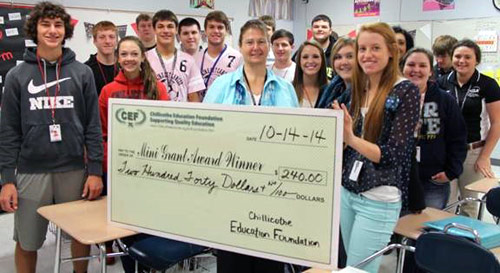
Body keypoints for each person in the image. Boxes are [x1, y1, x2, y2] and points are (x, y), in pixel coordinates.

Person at [0, 2, 103, 273]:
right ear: (34, 29)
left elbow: (93, 125)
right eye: (46, 24)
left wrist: (95, 170)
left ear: (65, 31)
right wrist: (7, 180)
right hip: (31, 171)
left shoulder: (82, 72)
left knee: (80, 235)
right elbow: (8, 131)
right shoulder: (17, 76)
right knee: (27, 241)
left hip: (73, 169)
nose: (52, 30)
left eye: (58, 25)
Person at [203, 19, 298, 272]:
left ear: (268, 46)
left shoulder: (286, 89)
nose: (255, 47)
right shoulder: (221, 87)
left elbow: (298, 137)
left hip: (274, 191)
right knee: (233, 262)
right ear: (240, 46)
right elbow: (205, 135)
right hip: (230, 190)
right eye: (249, 42)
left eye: (261, 42)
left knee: (270, 261)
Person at [333, 22, 419, 273]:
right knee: (352, 266)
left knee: (358, 270)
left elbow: (393, 155)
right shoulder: (358, 89)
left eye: (375, 48)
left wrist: (349, 137)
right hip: (347, 191)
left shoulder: (406, 91)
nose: (366, 55)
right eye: (362, 49)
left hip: (379, 197)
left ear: (392, 51)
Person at [99, 36, 170, 273]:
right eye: (124, 54)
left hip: (150, 169)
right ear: (118, 59)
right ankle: (131, 267)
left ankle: (149, 266)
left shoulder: (157, 88)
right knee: (124, 227)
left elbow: (168, 129)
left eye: (134, 54)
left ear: (142, 57)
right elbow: (102, 132)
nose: (129, 59)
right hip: (119, 170)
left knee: (150, 222)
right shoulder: (108, 91)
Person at [438, 39, 500, 217]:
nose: (461, 61)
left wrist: (485, 156)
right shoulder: (442, 83)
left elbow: (497, 123)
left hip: (473, 152)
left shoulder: (488, 85)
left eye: (467, 57)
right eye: (457, 56)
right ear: (452, 58)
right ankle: (445, 242)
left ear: (476, 60)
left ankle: (466, 243)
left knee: (469, 205)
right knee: (445, 203)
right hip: (446, 152)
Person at [402, 47, 467, 210]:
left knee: (427, 230)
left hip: (433, 180)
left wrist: (451, 172)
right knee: (397, 230)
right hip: (398, 178)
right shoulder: (392, 98)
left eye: (422, 66)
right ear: (402, 69)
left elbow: (458, 138)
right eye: (411, 64)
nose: (416, 70)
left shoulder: (445, 100)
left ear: (431, 71)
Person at [146, 10, 205, 102]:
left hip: (180, 115)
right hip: (153, 114)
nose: (165, 31)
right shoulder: (145, 58)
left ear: (176, 29)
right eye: (160, 27)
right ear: (154, 30)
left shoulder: (189, 60)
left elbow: (194, 98)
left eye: (170, 26)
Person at [195, 10, 242, 94]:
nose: (216, 31)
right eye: (211, 27)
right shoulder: (196, 59)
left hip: (227, 106)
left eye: (220, 27)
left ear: (226, 31)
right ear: (205, 31)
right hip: (202, 106)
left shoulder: (238, 58)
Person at [319, 37, 355, 108]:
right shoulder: (330, 89)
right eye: (338, 57)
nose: (344, 62)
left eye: (350, 56)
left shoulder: (368, 92)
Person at [85, 21, 118, 97]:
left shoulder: (125, 67)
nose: (107, 41)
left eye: (111, 37)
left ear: (116, 41)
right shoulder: (86, 70)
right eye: (102, 37)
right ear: (94, 41)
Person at [292, 41, 329, 108]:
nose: (310, 61)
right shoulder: (289, 89)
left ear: (322, 60)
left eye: (315, 56)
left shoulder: (331, 90)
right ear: (299, 61)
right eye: (305, 57)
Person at [310, 14, 337, 80]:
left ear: (330, 31)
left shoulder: (339, 51)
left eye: (324, 27)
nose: (320, 29)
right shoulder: (303, 52)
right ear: (311, 30)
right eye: (316, 27)